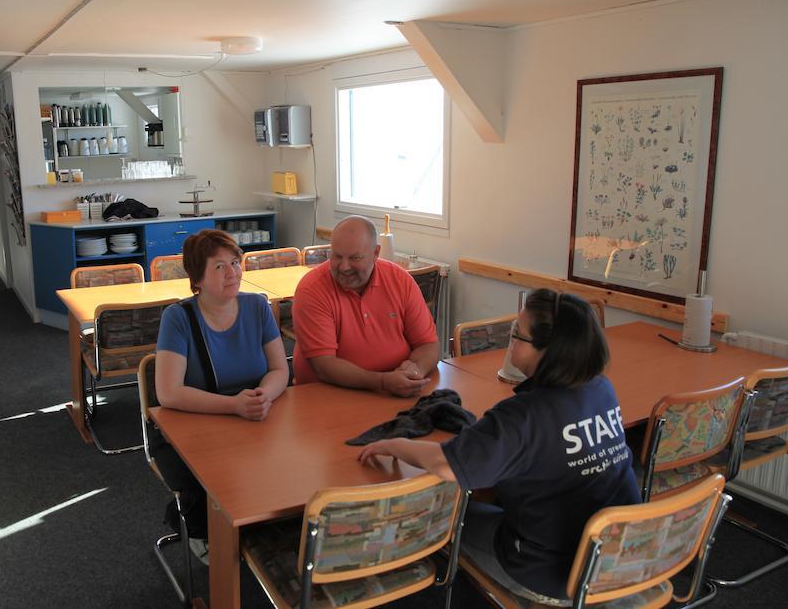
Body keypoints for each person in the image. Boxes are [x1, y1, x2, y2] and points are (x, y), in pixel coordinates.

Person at [357, 289, 640, 604]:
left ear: (548, 350)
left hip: (551, 572)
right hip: (617, 555)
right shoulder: (602, 388)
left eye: (518, 334)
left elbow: (445, 465)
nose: (511, 339)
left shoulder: (523, 416)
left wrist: (396, 445)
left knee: (442, 517)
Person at [153, 229, 289, 562]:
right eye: (219, 267)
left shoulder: (257, 307)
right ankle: (199, 526)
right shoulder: (179, 318)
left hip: (254, 417)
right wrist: (234, 405)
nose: (233, 273)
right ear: (196, 276)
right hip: (196, 424)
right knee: (217, 486)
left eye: (235, 262)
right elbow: (168, 392)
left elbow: (279, 370)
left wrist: (263, 397)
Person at [291, 215, 439, 395]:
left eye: (355, 258)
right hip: (327, 395)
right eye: (337, 256)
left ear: (376, 253)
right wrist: (383, 382)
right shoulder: (312, 289)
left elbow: (428, 344)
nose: (344, 267)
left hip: (393, 392)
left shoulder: (400, 280)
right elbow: (325, 366)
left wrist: (414, 370)